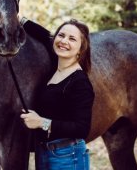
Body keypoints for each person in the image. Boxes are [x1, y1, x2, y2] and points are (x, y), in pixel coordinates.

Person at [20, 19, 95, 170]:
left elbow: (82, 129)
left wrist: (42, 122)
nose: (64, 41)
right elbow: (45, 36)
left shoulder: (80, 82)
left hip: (68, 156)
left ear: (81, 49)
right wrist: (20, 20)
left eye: (72, 39)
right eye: (61, 35)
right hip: (44, 154)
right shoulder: (56, 66)